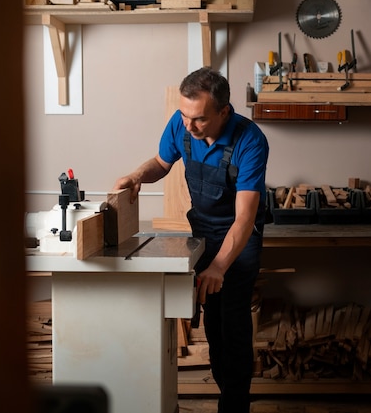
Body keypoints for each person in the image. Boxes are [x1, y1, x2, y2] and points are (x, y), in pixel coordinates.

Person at [113, 67, 269, 413]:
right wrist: (138, 176)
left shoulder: (250, 140)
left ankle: (235, 406)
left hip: (238, 241)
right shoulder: (181, 125)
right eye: (184, 115)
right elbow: (160, 163)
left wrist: (218, 266)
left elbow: (244, 219)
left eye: (198, 119)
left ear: (224, 112)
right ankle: (227, 396)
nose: (188, 125)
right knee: (213, 325)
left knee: (234, 326)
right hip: (203, 235)